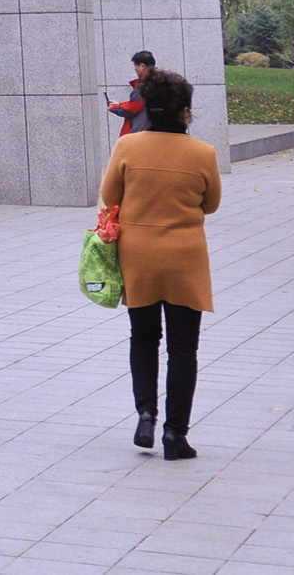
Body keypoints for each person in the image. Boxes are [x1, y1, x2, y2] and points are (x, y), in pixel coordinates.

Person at [98, 68, 219, 460]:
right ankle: (175, 435)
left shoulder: (128, 148)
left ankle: (146, 415)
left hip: (139, 256)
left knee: (144, 337)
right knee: (184, 348)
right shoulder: (203, 154)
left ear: (147, 108)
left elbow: (108, 196)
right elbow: (211, 204)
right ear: (185, 111)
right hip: (185, 256)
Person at [107, 50, 157, 139]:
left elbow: (132, 109)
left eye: (135, 66)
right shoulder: (161, 82)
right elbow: (138, 104)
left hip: (141, 134)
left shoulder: (144, 86)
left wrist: (114, 108)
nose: (135, 69)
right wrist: (120, 104)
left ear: (142, 66)